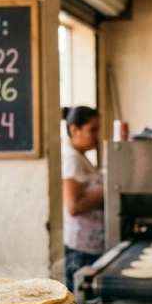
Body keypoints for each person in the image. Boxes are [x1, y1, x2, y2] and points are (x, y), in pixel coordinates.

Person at [61, 106, 104, 291]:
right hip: (81, 249)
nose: (97, 136)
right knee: (80, 300)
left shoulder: (81, 157)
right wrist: (107, 191)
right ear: (74, 130)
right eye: (92, 130)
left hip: (91, 244)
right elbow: (74, 206)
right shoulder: (71, 159)